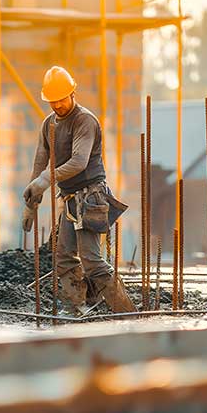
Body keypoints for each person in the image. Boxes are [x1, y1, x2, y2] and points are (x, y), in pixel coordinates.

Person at [21, 66, 136, 314]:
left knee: (92, 260)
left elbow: (78, 162)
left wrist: (44, 180)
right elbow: (41, 160)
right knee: (63, 257)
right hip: (71, 200)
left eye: (61, 99)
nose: (57, 105)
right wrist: (31, 201)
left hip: (91, 196)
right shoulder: (49, 124)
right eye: (52, 101)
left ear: (73, 92)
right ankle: (80, 308)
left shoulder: (85, 120)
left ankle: (126, 312)